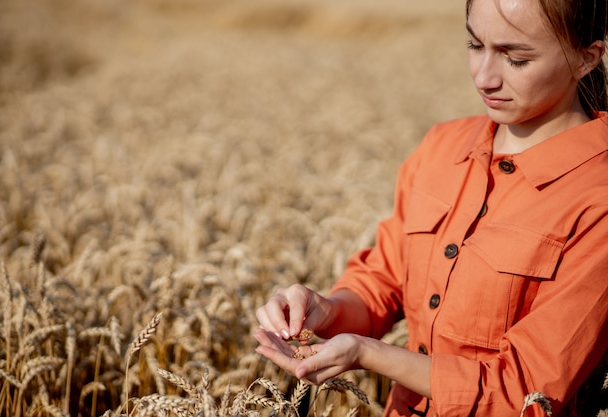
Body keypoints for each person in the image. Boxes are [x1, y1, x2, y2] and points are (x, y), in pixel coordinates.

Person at [253, 0, 608, 415]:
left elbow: (526, 390)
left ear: (587, 58)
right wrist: (326, 311)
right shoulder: (442, 148)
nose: (484, 76)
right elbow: (384, 279)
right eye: (475, 46)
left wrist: (369, 355)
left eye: (516, 58)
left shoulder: (597, 196)